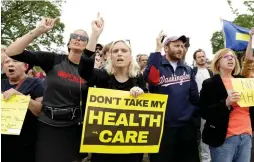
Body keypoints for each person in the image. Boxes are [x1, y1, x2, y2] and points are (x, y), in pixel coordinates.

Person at [5, 17, 89, 162]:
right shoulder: (53, 59)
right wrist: (39, 30)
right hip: (48, 125)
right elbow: (12, 52)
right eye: (75, 36)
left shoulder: (89, 71)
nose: (78, 39)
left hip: (73, 126)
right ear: (69, 42)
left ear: (88, 45)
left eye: (83, 38)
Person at [78, 13, 147, 162]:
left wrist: (142, 93)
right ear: (110, 57)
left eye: (124, 51)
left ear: (130, 56)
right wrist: (95, 35)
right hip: (103, 147)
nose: (119, 54)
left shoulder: (138, 78)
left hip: (131, 146)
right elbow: (84, 71)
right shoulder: (103, 76)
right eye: (115, 51)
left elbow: (148, 105)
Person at [144, 31, 200, 162]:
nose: (180, 49)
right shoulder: (158, 65)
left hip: (186, 128)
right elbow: (150, 78)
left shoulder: (187, 69)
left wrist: (194, 120)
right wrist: (157, 49)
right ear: (166, 48)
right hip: (163, 129)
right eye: (176, 45)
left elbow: (194, 97)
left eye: (182, 46)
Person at [199, 48, 254, 162]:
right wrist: (225, 103)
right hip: (223, 139)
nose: (231, 58)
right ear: (218, 62)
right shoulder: (210, 84)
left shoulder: (243, 81)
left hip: (246, 136)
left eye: (233, 57)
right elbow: (204, 112)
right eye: (226, 56)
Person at [1, 56, 44, 162]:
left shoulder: (36, 83)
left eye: (15, 61)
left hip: (26, 140)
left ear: (25, 67)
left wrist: (21, 97)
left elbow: (40, 111)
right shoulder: (1, 83)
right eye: (6, 62)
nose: (10, 64)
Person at [192, 49, 213, 162]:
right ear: (195, 59)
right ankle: (204, 157)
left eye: (203, 56)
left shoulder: (212, 72)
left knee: (210, 131)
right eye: (199, 56)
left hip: (211, 106)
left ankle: (210, 157)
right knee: (200, 132)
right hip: (198, 107)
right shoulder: (192, 72)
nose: (202, 58)